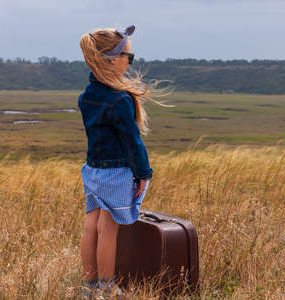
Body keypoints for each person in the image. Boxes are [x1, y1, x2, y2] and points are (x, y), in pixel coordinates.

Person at [78, 25, 171, 298]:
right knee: (108, 230)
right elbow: (133, 142)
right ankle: (107, 287)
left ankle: (90, 285)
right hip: (116, 172)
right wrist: (144, 172)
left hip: (92, 170)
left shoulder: (87, 96)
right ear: (112, 59)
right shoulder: (120, 100)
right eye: (128, 57)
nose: (129, 63)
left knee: (91, 226)